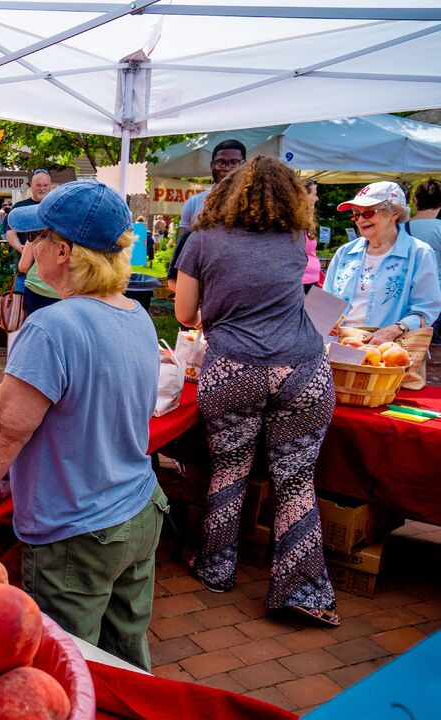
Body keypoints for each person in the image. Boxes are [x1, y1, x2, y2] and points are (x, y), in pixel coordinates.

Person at [0, 179, 166, 671]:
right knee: (127, 662)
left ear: (63, 250)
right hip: (138, 507)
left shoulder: (52, 326)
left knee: (63, 667)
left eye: (38, 236)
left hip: (77, 529)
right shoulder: (137, 316)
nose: (31, 246)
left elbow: (6, 431)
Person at [174, 156, 340, 626]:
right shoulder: (295, 240)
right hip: (304, 370)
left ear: (228, 190)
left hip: (234, 370)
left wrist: (221, 313)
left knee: (230, 470)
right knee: (295, 480)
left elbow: (186, 314)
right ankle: (302, 591)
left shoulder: (201, 240)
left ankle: (217, 568)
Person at [323, 181, 441, 344]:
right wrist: (326, 321)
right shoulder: (345, 253)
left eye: (368, 213)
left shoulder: (418, 252)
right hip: (340, 349)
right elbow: (327, 302)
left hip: (389, 354)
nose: (360, 220)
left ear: (395, 212)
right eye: (356, 214)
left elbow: (427, 308)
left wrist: (395, 330)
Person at [167, 138, 247, 291]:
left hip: (238, 280)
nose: (227, 168)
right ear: (212, 165)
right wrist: (178, 280)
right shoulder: (195, 202)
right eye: (221, 162)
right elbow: (182, 245)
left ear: (244, 165)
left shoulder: (252, 204)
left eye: (234, 162)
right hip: (202, 278)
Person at [7, 169, 60, 315]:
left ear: (51, 186)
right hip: (29, 274)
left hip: (48, 279)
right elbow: (10, 232)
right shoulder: (20, 208)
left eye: (45, 185)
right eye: (38, 185)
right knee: (18, 312)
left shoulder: (58, 210)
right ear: (31, 185)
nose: (42, 188)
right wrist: (21, 248)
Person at [409, 179, 441, 342]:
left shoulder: (400, 228)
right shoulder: (439, 228)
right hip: (437, 296)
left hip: (408, 296)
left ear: (415, 201)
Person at [303, 179, 322, 291]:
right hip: (302, 282)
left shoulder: (308, 221)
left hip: (312, 280)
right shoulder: (294, 223)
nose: (317, 198)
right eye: (314, 194)